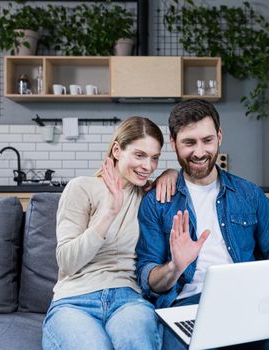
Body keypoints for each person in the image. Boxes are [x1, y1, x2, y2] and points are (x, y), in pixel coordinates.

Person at [136, 100, 269, 349]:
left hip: (249, 301)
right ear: (173, 143)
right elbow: (148, 278)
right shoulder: (158, 201)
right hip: (188, 306)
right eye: (189, 142)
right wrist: (175, 266)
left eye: (207, 140)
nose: (199, 152)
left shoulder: (249, 194)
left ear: (219, 136)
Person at [42, 116, 177, 350]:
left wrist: (172, 173)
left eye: (155, 158)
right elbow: (67, 261)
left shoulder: (149, 197)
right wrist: (109, 213)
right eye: (140, 155)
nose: (148, 166)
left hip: (129, 299)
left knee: (137, 343)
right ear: (117, 150)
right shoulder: (81, 188)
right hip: (74, 301)